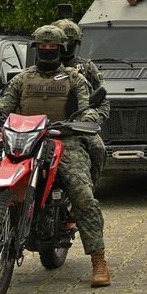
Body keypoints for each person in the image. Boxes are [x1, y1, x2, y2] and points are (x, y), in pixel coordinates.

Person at [0, 25, 110, 286]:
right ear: (35, 49)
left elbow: (87, 106)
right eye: (42, 47)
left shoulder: (74, 78)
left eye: (52, 48)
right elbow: (4, 105)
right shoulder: (22, 79)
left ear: (61, 49)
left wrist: (85, 118)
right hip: (20, 137)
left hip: (61, 138)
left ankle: (98, 259)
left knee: (82, 193)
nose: (47, 52)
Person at [54, 19, 109, 184]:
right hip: (42, 124)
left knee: (98, 148)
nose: (67, 44)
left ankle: (89, 186)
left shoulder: (86, 67)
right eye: (64, 41)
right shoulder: (40, 67)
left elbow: (103, 99)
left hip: (77, 125)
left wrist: (91, 120)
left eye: (71, 41)